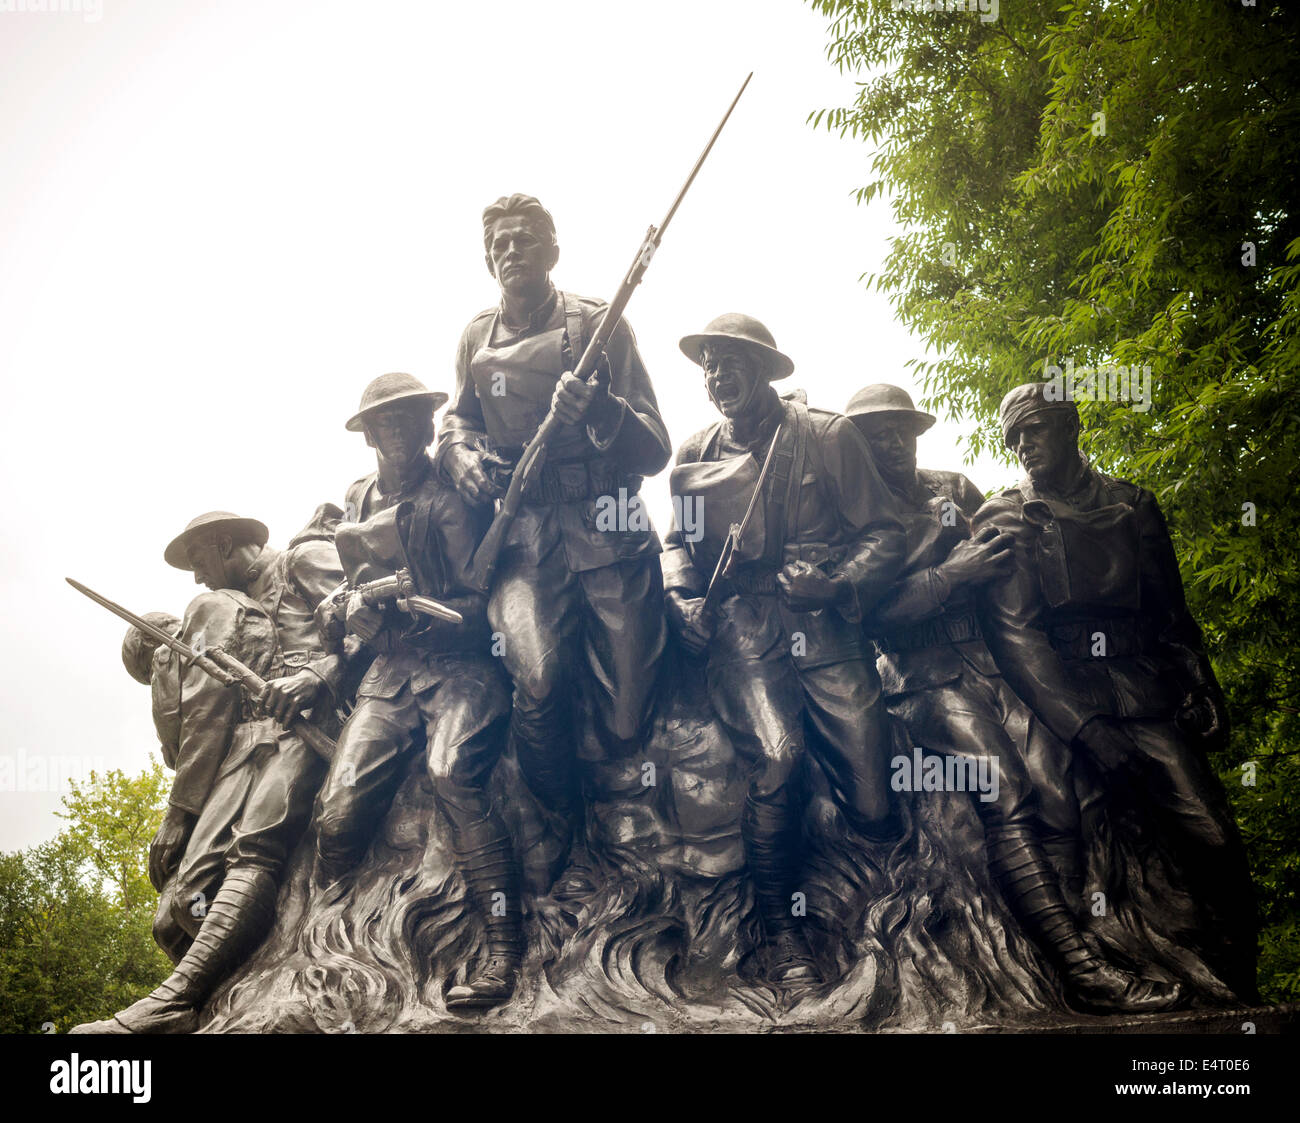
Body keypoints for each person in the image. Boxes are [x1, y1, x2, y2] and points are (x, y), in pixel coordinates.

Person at [847, 383, 1180, 1012]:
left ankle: (1078, 949)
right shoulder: (852, 514)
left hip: (994, 663)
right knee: (1005, 791)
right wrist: (950, 577)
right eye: (873, 434)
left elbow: (1010, 571)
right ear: (855, 446)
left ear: (918, 433)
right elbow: (864, 615)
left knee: (1064, 794)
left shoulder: (955, 488)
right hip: (924, 677)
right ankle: (1083, 971)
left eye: (900, 430)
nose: (890, 443)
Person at [973, 382, 1257, 1000]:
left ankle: (1236, 989)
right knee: (1063, 831)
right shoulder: (1003, 517)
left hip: (1144, 691)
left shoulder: (1133, 505)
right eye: (1013, 436)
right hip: (1056, 700)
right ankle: (1088, 983)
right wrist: (1085, 728)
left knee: (1212, 835)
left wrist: (1201, 684)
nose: (1024, 445)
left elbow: (1170, 614)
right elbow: (1015, 639)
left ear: (1071, 428)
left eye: (1036, 429)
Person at [663, 314, 905, 986]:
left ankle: (869, 913)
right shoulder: (691, 456)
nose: (718, 376)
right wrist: (684, 601)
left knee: (874, 801)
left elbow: (884, 536)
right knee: (777, 759)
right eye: (709, 364)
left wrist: (836, 582)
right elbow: (676, 545)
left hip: (825, 629)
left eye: (732, 362)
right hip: (744, 631)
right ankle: (781, 931)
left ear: (768, 371)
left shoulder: (830, 437)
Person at [434, 194, 668, 852]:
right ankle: (560, 831)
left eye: (526, 240)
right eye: (501, 244)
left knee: (625, 721)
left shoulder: (599, 325)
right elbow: (457, 418)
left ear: (553, 252)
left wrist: (601, 411)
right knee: (537, 676)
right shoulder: (476, 336)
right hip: (522, 537)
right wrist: (462, 459)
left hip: (605, 525)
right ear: (488, 259)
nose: (512, 251)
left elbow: (654, 447)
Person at [74, 508, 346, 1033]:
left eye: (199, 561)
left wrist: (315, 674)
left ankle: (176, 999)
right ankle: (230, 989)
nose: (197, 578)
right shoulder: (231, 602)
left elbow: (372, 628)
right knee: (183, 898)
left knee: (255, 842)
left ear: (223, 544)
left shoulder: (303, 561)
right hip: (257, 738)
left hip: (315, 724)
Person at [313, 372, 520, 1010]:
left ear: (430, 425)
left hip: (460, 666)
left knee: (452, 772)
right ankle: (321, 951)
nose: (401, 433)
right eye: (387, 423)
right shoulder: (356, 498)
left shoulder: (453, 498)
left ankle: (503, 948)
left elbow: (479, 600)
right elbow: (337, 601)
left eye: (411, 420)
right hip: (388, 672)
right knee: (338, 811)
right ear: (369, 434)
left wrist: (409, 606)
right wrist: (345, 615)